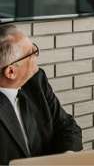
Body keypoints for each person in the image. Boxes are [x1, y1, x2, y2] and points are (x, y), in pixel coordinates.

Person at [0, 24, 82, 164]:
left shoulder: (36, 82)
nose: (37, 55)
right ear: (11, 72)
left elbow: (67, 126)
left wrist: (67, 157)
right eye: (32, 53)